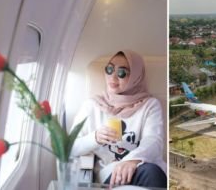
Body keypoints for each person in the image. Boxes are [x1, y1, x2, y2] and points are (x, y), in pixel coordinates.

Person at [70, 50, 167, 188]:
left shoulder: (149, 104)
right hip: (109, 173)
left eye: (122, 73)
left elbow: (154, 140)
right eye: (109, 69)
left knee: (151, 173)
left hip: (142, 166)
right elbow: (70, 147)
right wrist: (95, 137)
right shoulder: (91, 105)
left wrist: (132, 161)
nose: (113, 77)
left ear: (135, 77)